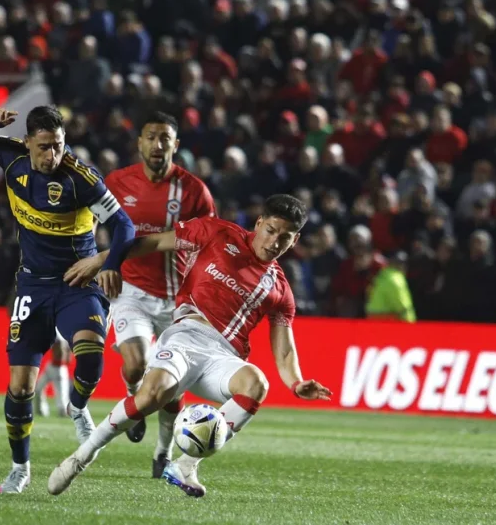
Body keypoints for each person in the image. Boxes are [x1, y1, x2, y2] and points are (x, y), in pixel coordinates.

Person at [49, 195, 331, 497]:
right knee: (152, 396)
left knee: (256, 384)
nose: (274, 242)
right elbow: (154, 243)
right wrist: (102, 260)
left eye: (285, 237)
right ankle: (84, 455)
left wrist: (296, 382)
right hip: (186, 336)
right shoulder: (217, 233)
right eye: (271, 230)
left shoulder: (280, 289)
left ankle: (185, 465)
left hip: (222, 358)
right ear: (260, 223)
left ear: (295, 239)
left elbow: (284, 348)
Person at [0, 105, 135, 494]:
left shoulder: (80, 178)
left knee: (90, 354)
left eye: (58, 145)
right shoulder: (10, 154)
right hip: (32, 286)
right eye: (45, 147)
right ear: (28, 142)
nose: (53, 155)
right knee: (20, 387)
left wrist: (107, 264)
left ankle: (78, 405)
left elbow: (124, 226)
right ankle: (20, 468)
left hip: (76, 283)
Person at [103, 111, 216, 476]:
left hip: (178, 298)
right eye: (151, 137)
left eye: (165, 138)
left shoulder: (194, 190)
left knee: (170, 384)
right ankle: (136, 401)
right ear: (139, 142)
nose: (158, 144)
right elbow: (93, 224)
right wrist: (101, 264)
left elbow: (208, 240)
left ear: (176, 145)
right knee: (136, 364)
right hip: (131, 289)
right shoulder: (117, 183)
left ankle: (163, 450)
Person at [365, 251, 417, 322]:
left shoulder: (382, 275)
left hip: (373, 320)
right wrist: (411, 323)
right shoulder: (396, 279)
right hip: (386, 321)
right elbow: (402, 306)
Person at [35, 330, 72, 418]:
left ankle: (65, 413)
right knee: (38, 389)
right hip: (52, 366)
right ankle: (41, 411)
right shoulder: (65, 332)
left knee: (62, 398)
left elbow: (62, 349)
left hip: (59, 368)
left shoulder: (59, 333)